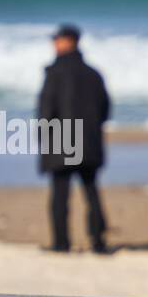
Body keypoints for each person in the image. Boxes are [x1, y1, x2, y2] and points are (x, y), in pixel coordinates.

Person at [37, 24, 112, 253]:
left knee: (60, 194)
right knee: (91, 191)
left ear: (69, 41)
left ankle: (61, 243)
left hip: (61, 142)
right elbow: (105, 110)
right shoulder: (93, 73)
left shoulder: (55, 73)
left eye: (57, 40)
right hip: (88, 143)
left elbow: (46, 110)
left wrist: (44, 138)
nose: (54, 44)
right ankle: (98, 243)